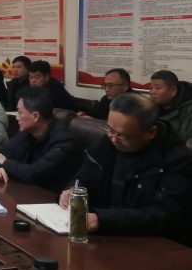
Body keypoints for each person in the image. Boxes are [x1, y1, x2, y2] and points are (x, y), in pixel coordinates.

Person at [58, 93, 192, 246]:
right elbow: (84, 176)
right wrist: (73, 190)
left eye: (123, 136)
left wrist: (102, 220)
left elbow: (167, 215)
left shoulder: (178, 160)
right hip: (102, 237)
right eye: (109, 129)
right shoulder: (108, 142)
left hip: (151, 243)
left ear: (151, 132)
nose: (114, 139)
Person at [0, 87, 80, 192]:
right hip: (25, 191)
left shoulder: (64, 141)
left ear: (35, 116)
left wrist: (4, 163)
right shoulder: (26, 133)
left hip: (51, 197)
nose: (16, 117)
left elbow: (33, 173)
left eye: (20, 112)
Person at [148, 70, 192, 140]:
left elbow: (183, 139)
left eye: (157, 88)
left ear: (173, 91)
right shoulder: (148, 106)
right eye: (151, 88)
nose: (152, 92)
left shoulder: (189, 110)